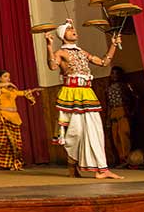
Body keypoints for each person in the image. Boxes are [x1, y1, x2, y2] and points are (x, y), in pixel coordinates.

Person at [45, 19, 123, 179]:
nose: (74, 30)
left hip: (87, 93)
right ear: (62, 35)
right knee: (75, 133)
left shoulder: (82, 52)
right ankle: (72, 164)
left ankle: (102, 169)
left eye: (74, 28)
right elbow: (53, 66)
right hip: (71, 94)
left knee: (95, 130)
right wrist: (49, 45)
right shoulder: (61, 52)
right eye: (69, 29)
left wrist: (113, 45)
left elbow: (103, 62)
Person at [0, 70, 41, 171]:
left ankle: (13, 163)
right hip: (3, 115)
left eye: (9, 77)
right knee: (3, 140)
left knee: (16, 142)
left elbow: (22, 93)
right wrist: (7, 83)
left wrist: (33, 90)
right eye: (5, 76)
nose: (8, 78)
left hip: (14, 116)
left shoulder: (11, 90)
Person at [105, 66, 137, 167]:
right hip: (113, 112)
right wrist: (108, 118)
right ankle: (121, 159)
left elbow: (135, 98)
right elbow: (108, 104)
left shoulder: (126, 86)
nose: (114, 75)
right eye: (112, 73)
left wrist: (131, 111)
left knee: (124, 135)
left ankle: (128, 159)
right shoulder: (108, 88)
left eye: (117, 73)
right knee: (116, 137)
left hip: (123, 110)